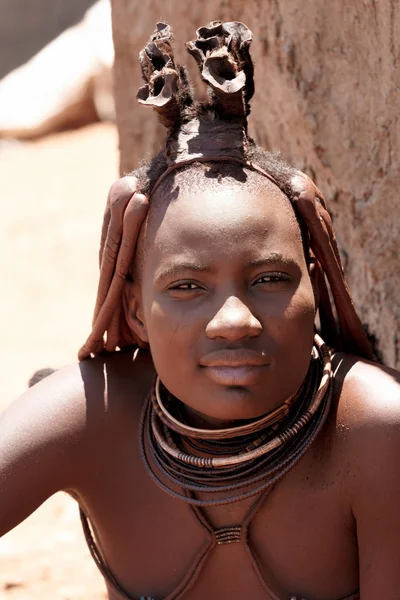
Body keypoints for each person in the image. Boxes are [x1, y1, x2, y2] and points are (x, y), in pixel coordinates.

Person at [1, 20, 400, 600]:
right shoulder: (95, 415)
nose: (235, 319)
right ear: (136, 313)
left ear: (314, 289)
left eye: (269, 279)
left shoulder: (374, 434)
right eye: (188, 287)